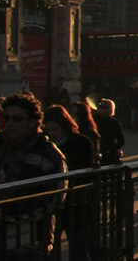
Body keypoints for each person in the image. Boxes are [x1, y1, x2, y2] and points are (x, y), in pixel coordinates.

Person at [0, 94, 67, 259]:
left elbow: (55, 196)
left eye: (17, 119)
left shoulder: (48, 153)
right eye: (6, 119)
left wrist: (8, 210)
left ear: (32, 122)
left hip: (30, 240)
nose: (10, 124)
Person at [42, 105, 98, 260]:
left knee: (79, 248)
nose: (52, 134)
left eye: (55, 129)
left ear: (65, 126)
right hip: (54, 205)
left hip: (77, 203)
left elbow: (86, 173)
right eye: (49, 130)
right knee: (51, 250)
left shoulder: (81, 142)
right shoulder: (44, 147)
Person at [94, 98, 125, 165]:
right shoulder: (94, 121)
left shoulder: (113, 123)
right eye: (100, 107)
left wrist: (112, 149)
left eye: (105, 108)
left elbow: (121, 140)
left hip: (109, 154)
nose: (101, 110)